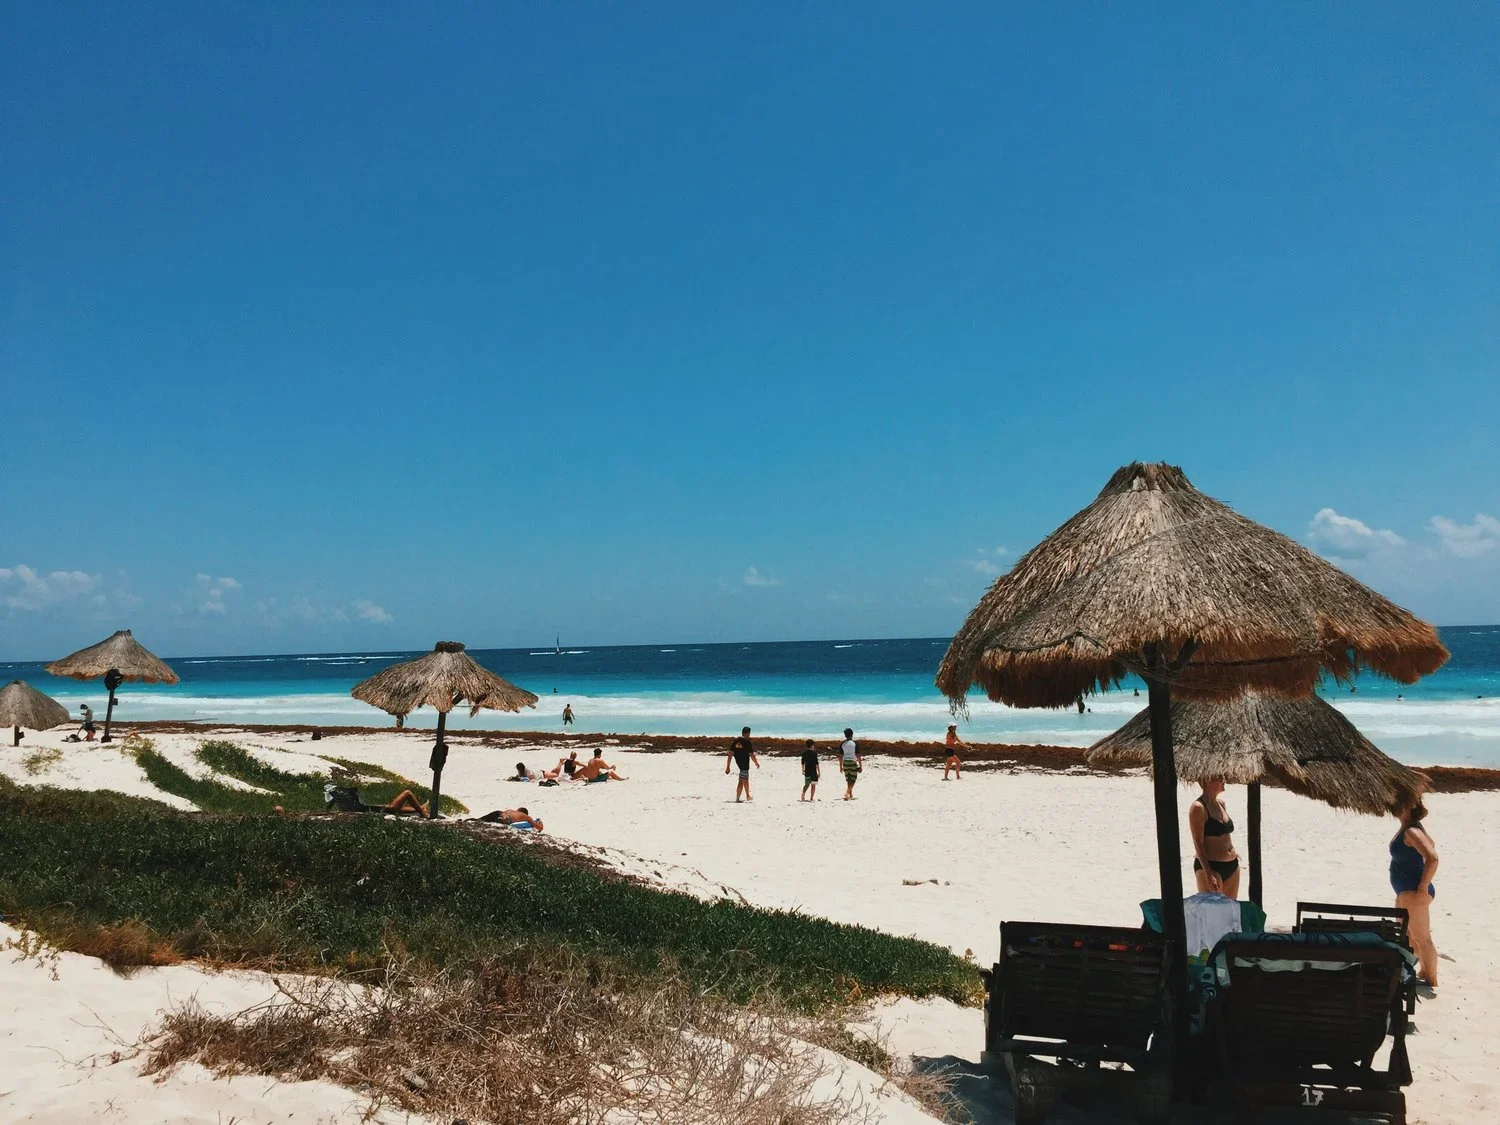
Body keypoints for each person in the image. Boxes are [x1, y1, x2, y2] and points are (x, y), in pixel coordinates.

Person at [1390, 799, 1439, 988]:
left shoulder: (1412, 830)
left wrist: (1423, 886)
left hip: (1414, 892)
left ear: (1409, 807)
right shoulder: (1411, 827)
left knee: (1422, 937)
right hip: (1406, 891)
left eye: (1398, 803)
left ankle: (1432, 980)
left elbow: (1432, 858)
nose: (1394, 806)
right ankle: (1424, 971)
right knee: (1408, 935)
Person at [1188, 779, 1240, 898]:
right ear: (1208, 781)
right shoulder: (1198, 807)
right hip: (1211, 866)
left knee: (1229, 910)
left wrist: (1232, 851)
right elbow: (1198, 842)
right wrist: (1208, 873)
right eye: (1219, 778)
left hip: (1232, 865)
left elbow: (1225, 834)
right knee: (1212, 912)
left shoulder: (1221, 804)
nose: (1224, 780)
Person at [324, 784, 427, 816]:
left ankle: (420, 808)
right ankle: (422, 811)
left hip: (370, 809)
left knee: (395, 809)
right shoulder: (351, 804)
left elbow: (332, 802)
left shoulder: (341, 800)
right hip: (374, 810)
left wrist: (327, 812)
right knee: (407, 793)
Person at [725, 726, 759, 802]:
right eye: (749, 734)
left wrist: (728, 766)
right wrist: (756, 763)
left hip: (739, 763)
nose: (749, 736)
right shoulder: (747, 742)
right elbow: (751, 754)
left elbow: (730, 754)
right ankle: (737, 798)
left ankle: (747, 795)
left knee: (745, 779)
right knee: (741, 781)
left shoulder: (735, 741)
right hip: (744, 764)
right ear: (747, 733)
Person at [477, 807, 544, 831]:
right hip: (505, 819)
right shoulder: (526, 817)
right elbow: (540, 828)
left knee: (478, 821)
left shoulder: (510, 810)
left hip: (498, 812)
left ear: (518, 809)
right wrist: (540, 821)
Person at [840, 728, 861, 800]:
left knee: (848, 779)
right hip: (852, 762)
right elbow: (858, 755)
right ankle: (847, 792)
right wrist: (860, 765)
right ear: (852, 734)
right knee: (853, 779)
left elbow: (840, 756)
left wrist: (840, 766)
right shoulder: (854, 743)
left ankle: (850, 795)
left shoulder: (843, 744)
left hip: (845, 762)